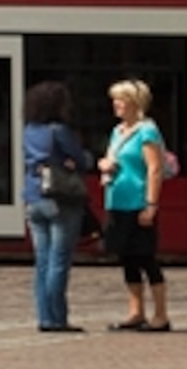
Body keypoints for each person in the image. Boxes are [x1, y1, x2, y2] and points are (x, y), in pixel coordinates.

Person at [21, 80, 94, 333]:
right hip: (60, 197)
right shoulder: (58, 130)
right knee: (59, 260)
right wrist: (81, 159)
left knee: (42, 261)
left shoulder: (29, 130)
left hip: (33, 197)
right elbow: (80, 158)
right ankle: (57, 318)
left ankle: (44, 317)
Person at [99, 80, 172, 333]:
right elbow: (113, 159)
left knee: (146, 257)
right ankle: (136, 311)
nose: (115, 104)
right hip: (117, 201)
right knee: (126, 257)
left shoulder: (147, 131)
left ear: (134, 102)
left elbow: (154, 169)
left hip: (138, 201)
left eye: (120, 99)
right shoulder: (117, 132)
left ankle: (161, 315)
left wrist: (151, 205)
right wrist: (105, 165)